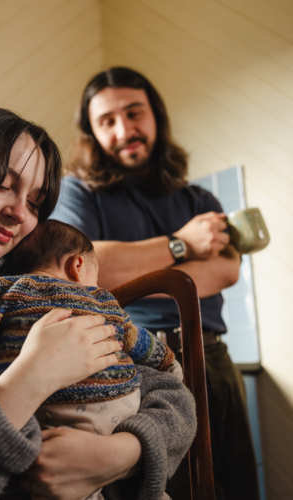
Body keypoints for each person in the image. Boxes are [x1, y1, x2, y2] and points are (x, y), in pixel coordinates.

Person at [0, 106, 196, 500]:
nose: (19, 213)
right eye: (2, 185)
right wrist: (27, 382)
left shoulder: (45, 293)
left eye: (35, 202)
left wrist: (120, 453)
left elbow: (171, 396)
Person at [52, 67, 260, 500]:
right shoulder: (79, 192)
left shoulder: (198, 198)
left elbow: (225, 271)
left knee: (237, 486)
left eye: (134, 113)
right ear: (91, 131)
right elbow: (83, 270)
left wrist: (123, 265)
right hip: (144, 364)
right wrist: (182, 244)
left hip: (215, 359)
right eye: (107, 121)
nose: (124, 129)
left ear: (156, 117)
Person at [0, 218, 181, 500]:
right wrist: (169, 362)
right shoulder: (102, 301)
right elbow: (137, 340)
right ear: (77, 265)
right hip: (122, 404)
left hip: (53, 417)